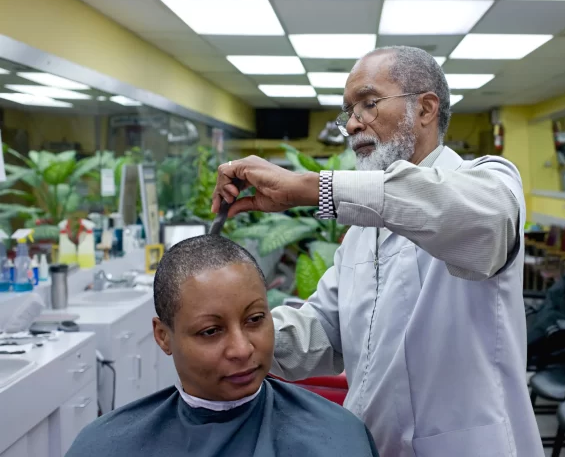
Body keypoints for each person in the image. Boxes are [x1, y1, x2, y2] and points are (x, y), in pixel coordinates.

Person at [212, 46, 544, 457]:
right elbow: (323, 334)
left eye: (368, 104)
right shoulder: (360, 233)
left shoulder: (489, 183)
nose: (351, 125)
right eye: (348, 111)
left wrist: (311, 188)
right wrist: (232, 336)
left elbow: (458, 214)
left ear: (425, 109)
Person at [66, 235, 379, 457]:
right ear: (163, 336)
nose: (241, 350)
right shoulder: (103, 445)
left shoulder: (339, 438)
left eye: (255, 319)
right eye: (211, 331)